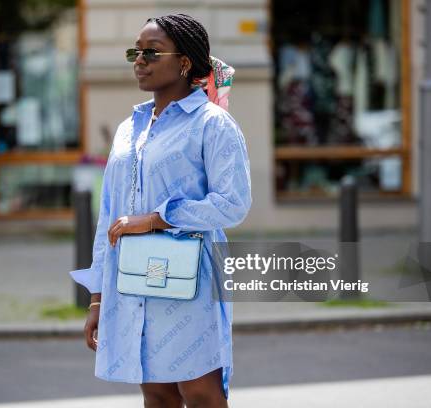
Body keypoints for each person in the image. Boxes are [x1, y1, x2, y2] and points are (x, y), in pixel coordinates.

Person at [69, 13, 252, 408]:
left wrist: (156, 219)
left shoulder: (213, 125)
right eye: (135, 51)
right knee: (156, 393)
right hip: (131, 281)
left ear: (184, 63)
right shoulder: (129, 129)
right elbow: (109, 216)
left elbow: (233, 204)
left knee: (200, 391)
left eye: (151, 52)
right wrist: (97, 299)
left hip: (191, 280)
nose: (139, 59)